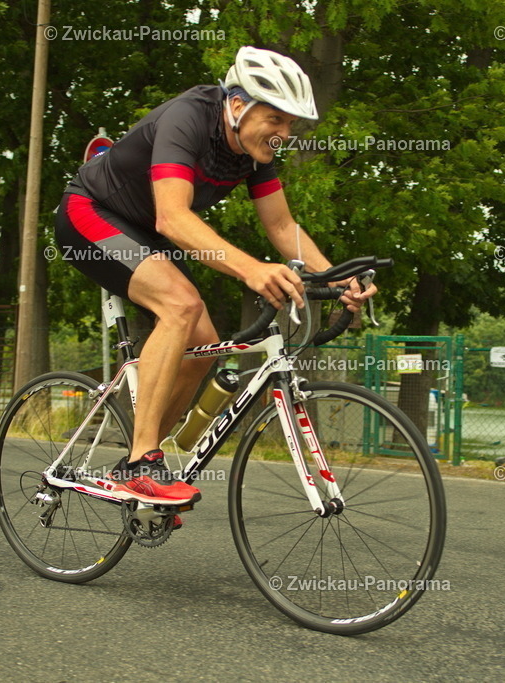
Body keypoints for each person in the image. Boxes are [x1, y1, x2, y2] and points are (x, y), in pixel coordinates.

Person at [54, 46, 376, 511]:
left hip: (146, 232)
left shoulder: (256, 150)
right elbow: (172, 217)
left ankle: (141, 464)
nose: (284, 134)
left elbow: (281, 226)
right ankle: (140, 466)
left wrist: (335, 278)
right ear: (238, 105)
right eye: (276, 119)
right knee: (180, 306)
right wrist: (252, 269)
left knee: (203, 344)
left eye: (291, 124)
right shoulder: (188, 118)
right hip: (91, 213)